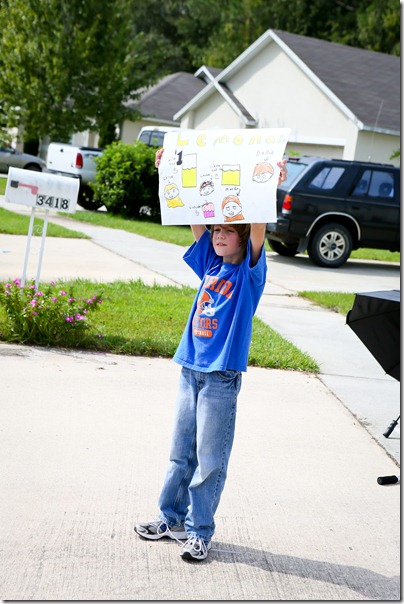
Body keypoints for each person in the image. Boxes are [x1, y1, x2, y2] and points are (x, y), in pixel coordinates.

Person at [135, 148, 287, 562]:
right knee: (180, 453)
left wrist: (267, 185)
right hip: (190, 369)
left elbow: (259, 226)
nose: (218, 236)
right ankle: (171, 519)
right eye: (216, 230)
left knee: (209, 460)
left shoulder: (249, 274)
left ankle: (200, 531)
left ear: (242, 237)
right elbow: (194, 214)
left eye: (227, 232)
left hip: (221, 377)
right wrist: (170, 170)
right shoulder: (210, 264)